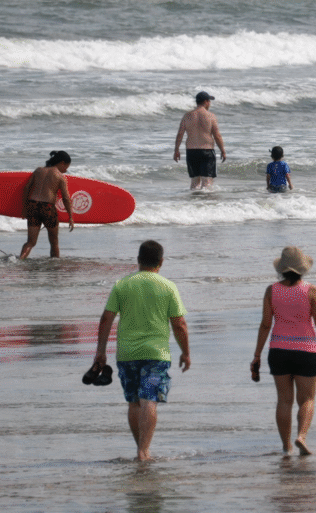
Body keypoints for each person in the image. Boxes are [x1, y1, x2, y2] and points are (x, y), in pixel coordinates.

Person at [93, 240, 190, 462]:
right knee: (149, 400)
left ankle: (141, 449)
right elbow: (179, 324)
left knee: (134, 401)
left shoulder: (122, 284)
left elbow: (106, 318)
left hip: (127, 354)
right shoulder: (168, 286)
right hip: (156, 354)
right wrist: (186, 352)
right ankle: (144, 451)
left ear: (138, 260)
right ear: (161, 262)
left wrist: (100, 351)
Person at [252, 247, 316, 456]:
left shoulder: (271, 290)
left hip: (278, 351)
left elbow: (265, 325)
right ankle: (301, 436)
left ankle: (286, 446)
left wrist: (257, 355)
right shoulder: (311, 290)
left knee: (284, 400)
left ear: (281, 269)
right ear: (302, 269)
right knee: (307, 399)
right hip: (306, 351)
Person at [19, 150, 74, 259]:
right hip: (47, 208)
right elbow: (66, 198)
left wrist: (25, 208)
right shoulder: (59, 176)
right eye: (66, 167)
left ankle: (20, 260)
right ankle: (55, 268)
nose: (66, 170)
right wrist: (71, 216)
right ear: (62, 163)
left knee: (30, 242)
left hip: (32, 206)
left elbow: (26, 188)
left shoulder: (38, 170)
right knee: (54, 242)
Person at [173, 91, 226, 190]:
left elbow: (180, 134)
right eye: (209, 101)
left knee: (194, 182)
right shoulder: (211, 116)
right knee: (207, 181)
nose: (210, 103)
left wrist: (176, 150)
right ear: (206, 101)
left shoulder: (187, 116)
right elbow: (217, 135)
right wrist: (223, 150)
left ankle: (193, 202)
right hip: (207, 151)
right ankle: (204, 203)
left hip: (191, 151)